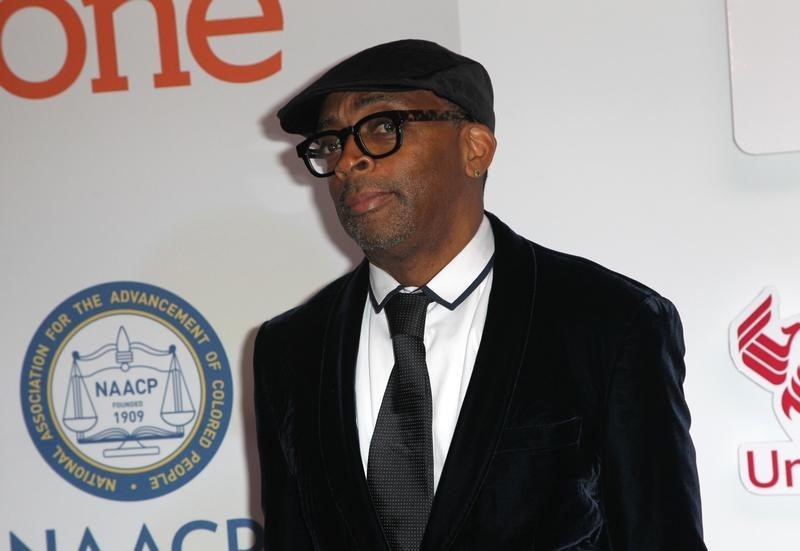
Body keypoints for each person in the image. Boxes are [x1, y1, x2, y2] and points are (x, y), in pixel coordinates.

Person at [252, 39, 706, 551]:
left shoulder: (610, 322)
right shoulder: (288, 349)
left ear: (475, 148)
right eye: (331, 141)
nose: (347, 160)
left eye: (382, 127)